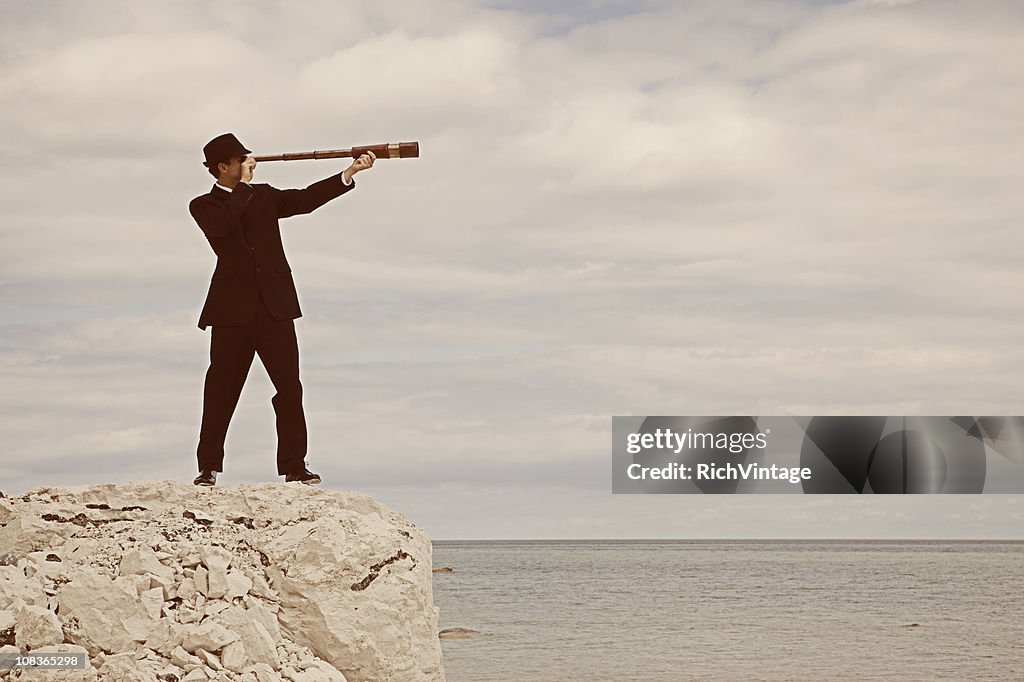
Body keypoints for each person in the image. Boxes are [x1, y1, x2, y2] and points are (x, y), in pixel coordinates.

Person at [189, 133, 375, 486]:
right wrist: (244, 185)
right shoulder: (204, 205)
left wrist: (348, 173)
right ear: (222, 167)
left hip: (276, 309)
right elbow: (226, 224)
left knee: (290, 388)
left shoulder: (264, 196)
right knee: (220, 391)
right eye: (241, 160)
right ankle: (208, 468)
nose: (249, 164)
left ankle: (295, 466)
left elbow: (304, 200)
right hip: (231, 314)